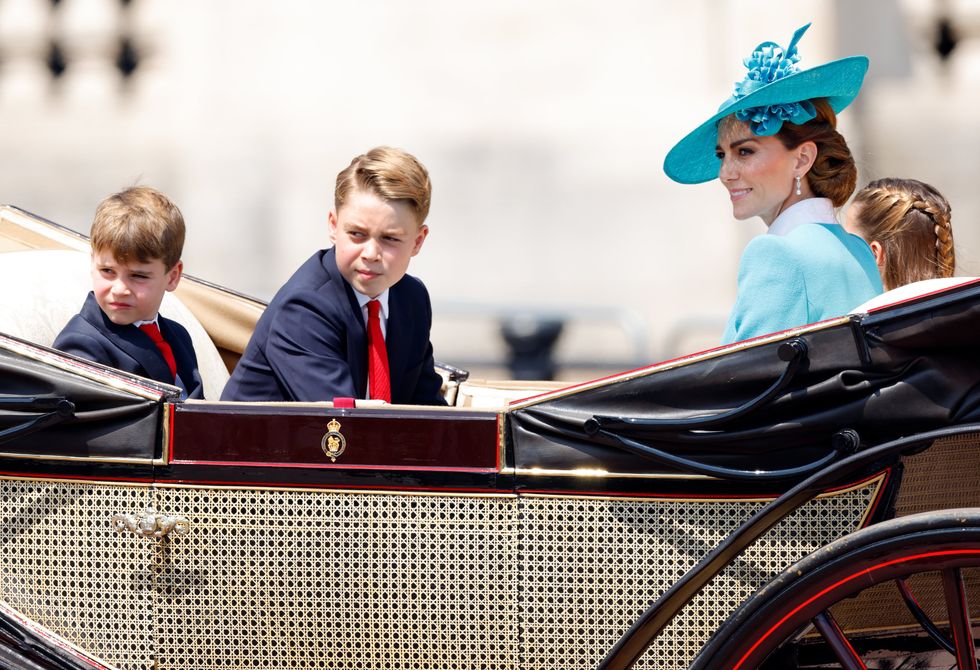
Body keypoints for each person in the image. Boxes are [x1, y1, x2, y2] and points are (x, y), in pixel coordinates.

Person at [663, 23, 883, 344]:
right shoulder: (857, 250)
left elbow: (746, 384)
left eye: (745, 151)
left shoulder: (774, 253)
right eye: (722, 155)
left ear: (802, 159)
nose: (726, 173)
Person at [221, 146, 446, 405]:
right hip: (255, 445)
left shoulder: (411, 298)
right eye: (357, 234)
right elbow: (345, 430)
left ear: (418, 241)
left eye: (390, 239)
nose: (371, 253)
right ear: (333, 225)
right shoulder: (304, 309)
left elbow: (427, 408)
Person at [53, 186, 204, 398]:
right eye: (107, 271)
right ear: (92, 263)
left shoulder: (178, 335)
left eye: (138, 276)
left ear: (172, 277)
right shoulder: (81, 347)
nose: (120, 289)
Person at [844, 178, 955, 291]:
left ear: (874, 254)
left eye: (848, 243)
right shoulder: (967, 304)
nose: (842, 252)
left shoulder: (850, 308)